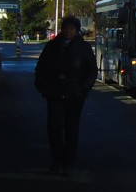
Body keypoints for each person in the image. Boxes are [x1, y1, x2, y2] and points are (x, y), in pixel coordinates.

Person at [34, 16, 96, 175]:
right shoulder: (52, 46)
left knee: (71, 128)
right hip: (54, 92)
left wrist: (85, 86)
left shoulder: (83, 47)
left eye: (71, 29)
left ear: (76, 30)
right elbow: (42, 67)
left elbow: (91, 69)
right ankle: (57, 158)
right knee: (54, 127)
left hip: (75, 93)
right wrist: (42, 85)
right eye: (66, 28)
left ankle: (68, 161)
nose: (68, 32)